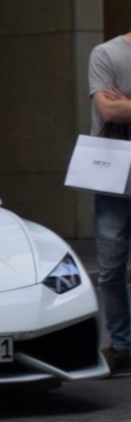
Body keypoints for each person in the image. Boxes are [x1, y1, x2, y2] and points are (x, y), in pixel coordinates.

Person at [88, 31, 131, 373]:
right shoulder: (106, 54)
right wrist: (118, 107)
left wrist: (125, 103)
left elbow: (120, 107)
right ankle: (122, 346)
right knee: (111, 270)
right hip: (115, 178)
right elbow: (108, 110)